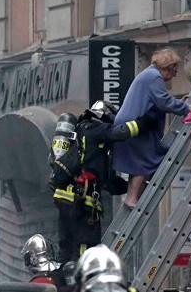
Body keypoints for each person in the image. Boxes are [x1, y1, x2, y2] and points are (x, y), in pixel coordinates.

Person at [50, 102, 159, 263]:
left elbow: (107, 182)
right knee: (85, 248)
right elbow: (122, 132)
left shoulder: (87, 138)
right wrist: (145, 121)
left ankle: (61, 282)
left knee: (66, 247)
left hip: (67, 198)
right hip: (81, 201)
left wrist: (131, 186)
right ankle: (81, 283)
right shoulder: (94, 128)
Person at [113, 48, 191, 208]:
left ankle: (133, 196)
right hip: (137, 126)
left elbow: (160, 100)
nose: (176, 74)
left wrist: (179, 103)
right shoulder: (154, 77)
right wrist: (187, 108)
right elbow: (163, 101)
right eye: (174, 69)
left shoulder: (149, 75)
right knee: (146, 159)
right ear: (168, 66)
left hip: (132, 125)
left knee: (141, 161)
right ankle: (132, 198)